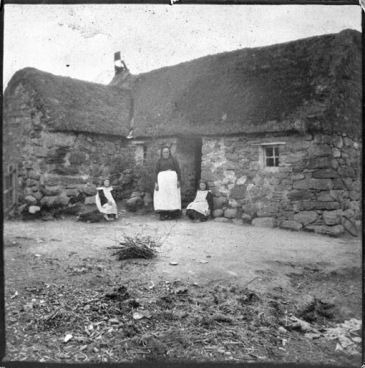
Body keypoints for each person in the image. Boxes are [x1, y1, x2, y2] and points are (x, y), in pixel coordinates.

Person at [154, 146, 182, 220]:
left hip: (172, 181)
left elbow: (178, 170)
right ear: (162, 153)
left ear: (169, 152)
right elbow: (156, 172)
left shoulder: (173, 160)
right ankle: (163, 214)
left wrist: (178, 180)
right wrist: (156, 183)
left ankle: (172, 214)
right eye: (164, 152)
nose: (166, 153)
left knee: (172, 196)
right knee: (163, 197)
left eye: (167, 152)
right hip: (162, 181)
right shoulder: (159, 161)